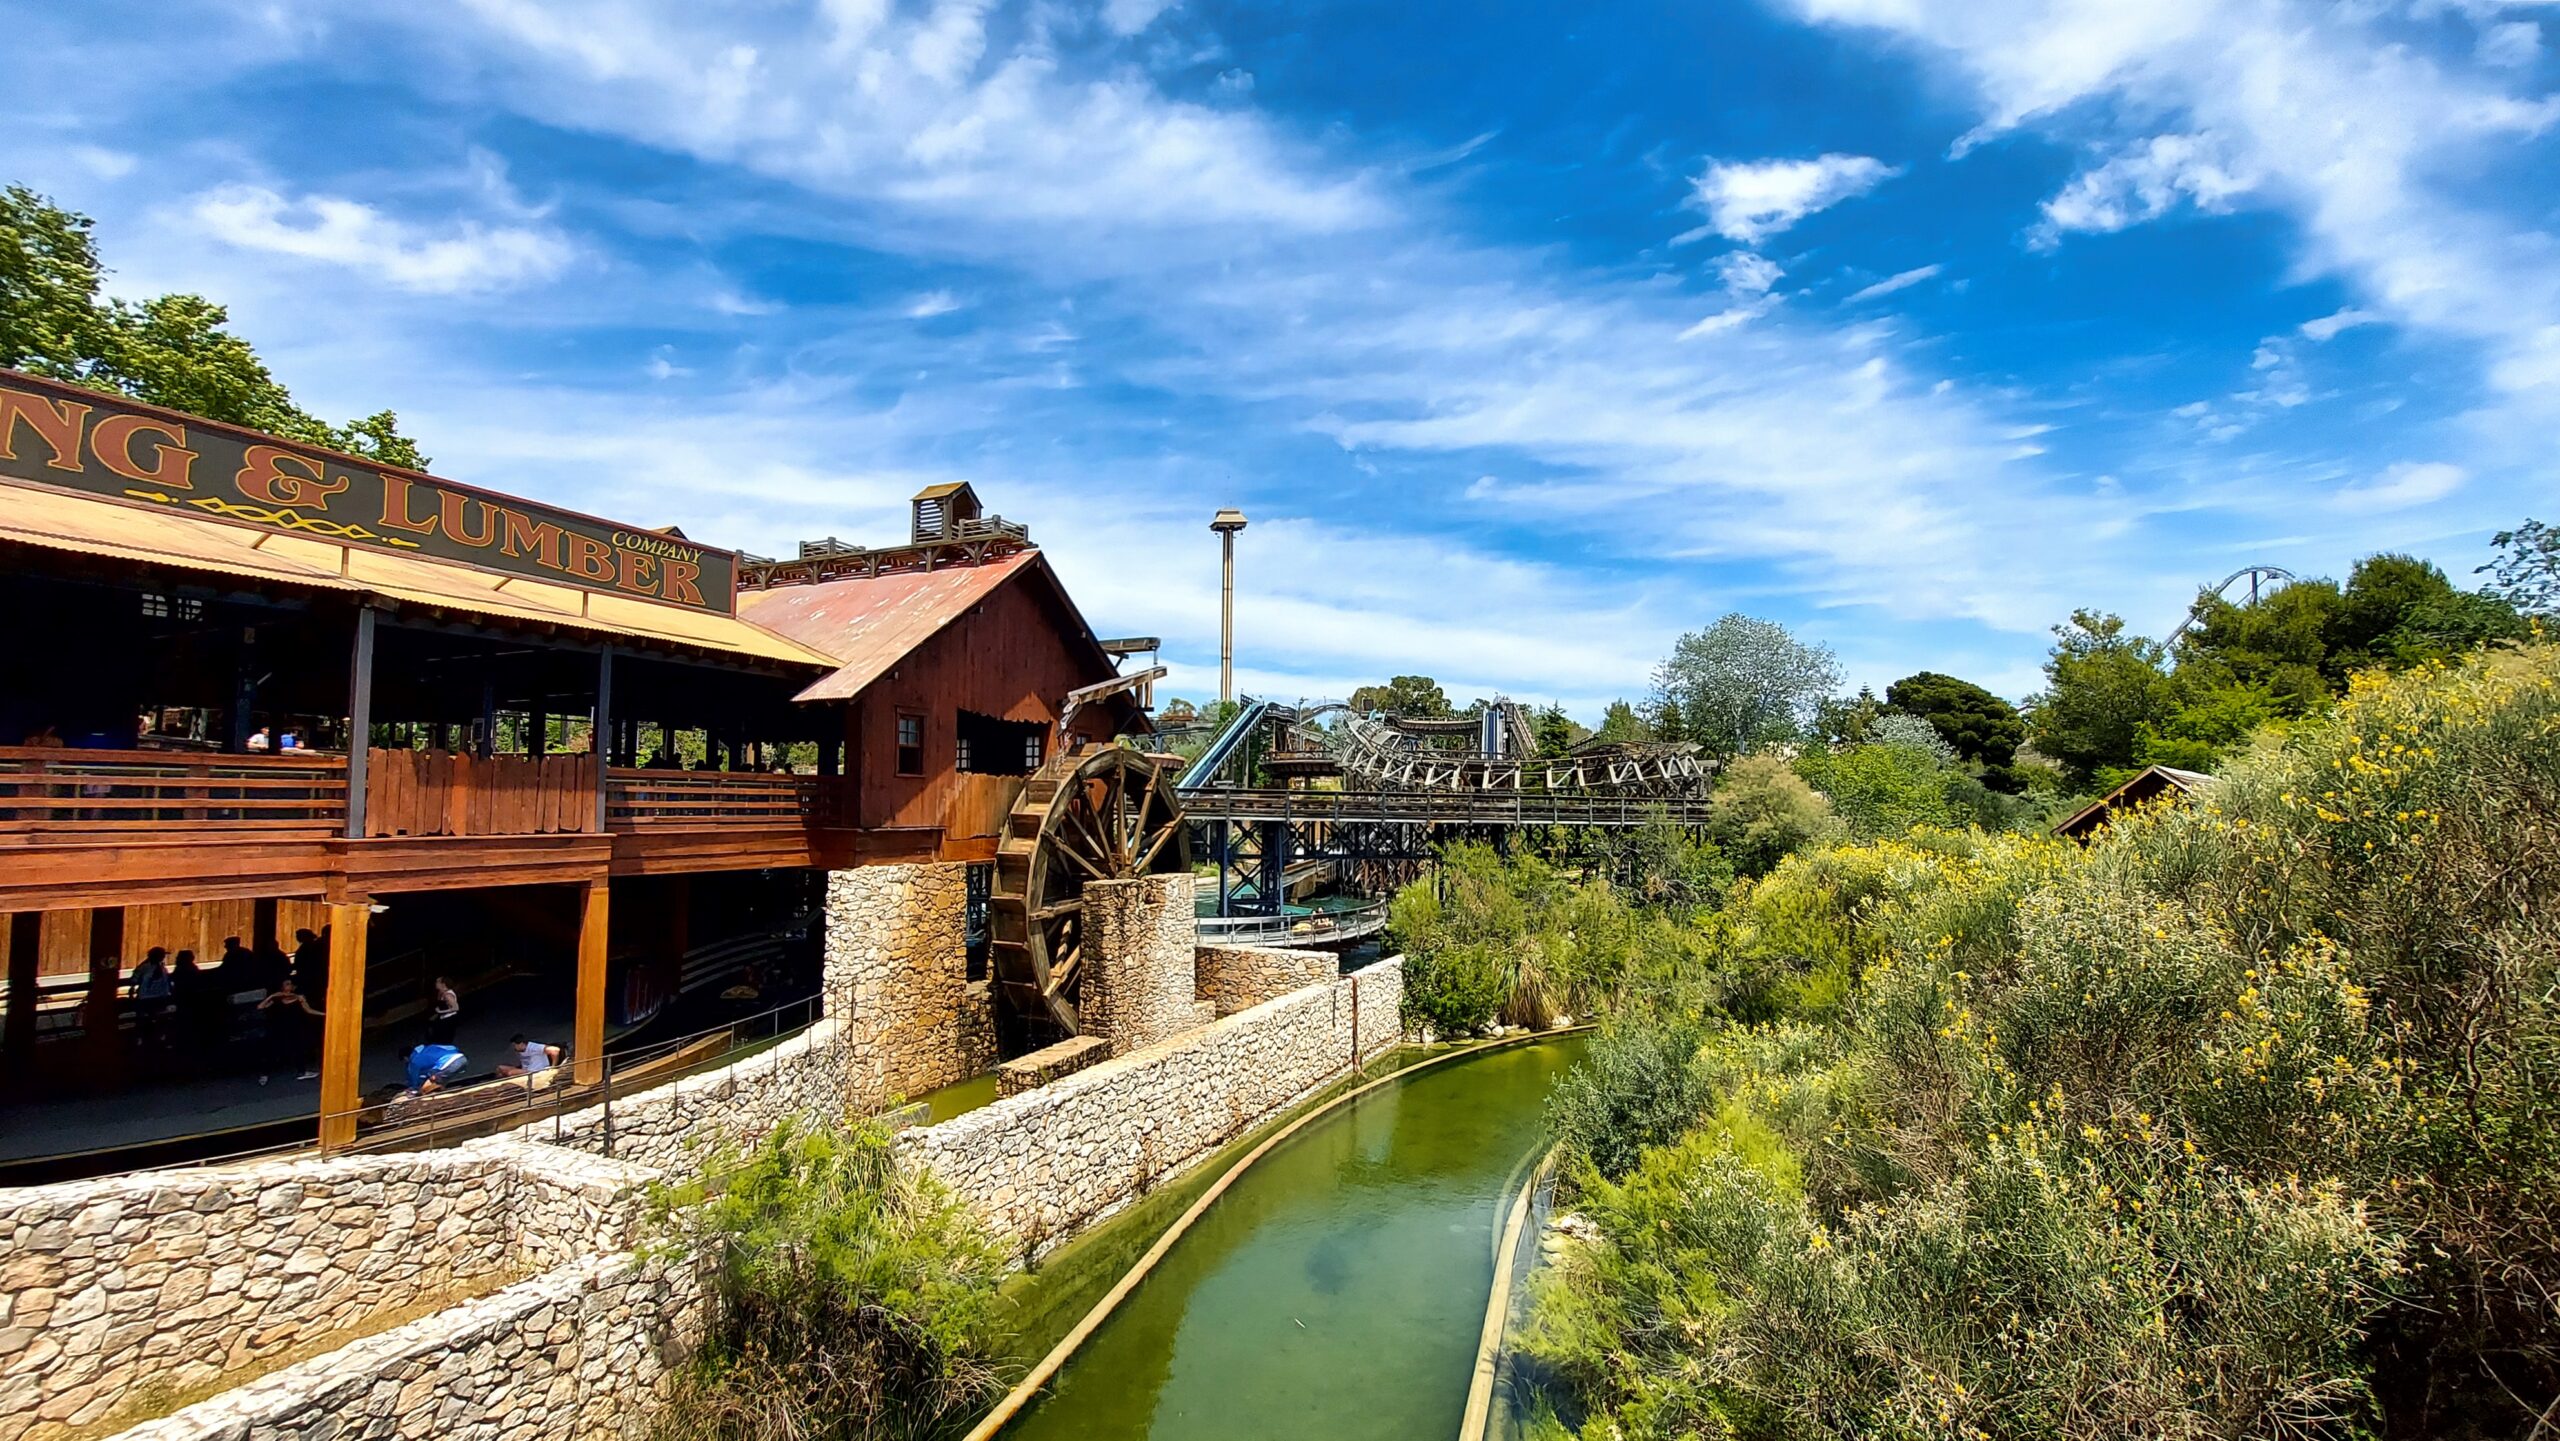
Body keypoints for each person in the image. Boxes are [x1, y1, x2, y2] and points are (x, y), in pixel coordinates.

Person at [254, 975, 323, 1084]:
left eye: (290, 984)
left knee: (298, 1049)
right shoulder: (276, 999)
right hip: (278, 1028)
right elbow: (260, 1007)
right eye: (286, 984)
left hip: (293, 1028)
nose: (289, 986)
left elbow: (308, 1010)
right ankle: (264, 1074)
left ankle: (302, 1071)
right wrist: (271, 996)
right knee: (272, 1051)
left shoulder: (298, 997)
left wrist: (324, 1014)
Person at [127, 947, 174, 1046]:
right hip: (147, 997)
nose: (163, 957)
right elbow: (134, 980)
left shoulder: (161, 967)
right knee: (144, 1018)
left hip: (159, 996)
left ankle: (157, 1037)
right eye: (162, 955)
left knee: (158, 1017)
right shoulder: (145, 967)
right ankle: (142, 1038)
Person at [496, 1034, 561, 1079]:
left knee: (511, 1073)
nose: (514, 1047)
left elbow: (555, 1050)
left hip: (535, 1070)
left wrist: (553, 1067)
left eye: (514, 1045)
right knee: (500, 1068)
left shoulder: (534, 1047)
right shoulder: (520, 1051)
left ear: (521, 1044)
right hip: (525, 1069)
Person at [290, 928, 329, 998]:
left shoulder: (308, 947)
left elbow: (303, 963)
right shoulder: (309, 946)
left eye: (298, 935)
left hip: (308, 978)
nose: (297, 937)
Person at [425, 975, 460, 1045]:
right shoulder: (440, 993)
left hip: (449, 1019)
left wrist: (440, 1012)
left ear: (443, 984)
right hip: (442, 1017)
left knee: (444, 1039)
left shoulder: (448, 995)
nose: (435, 983)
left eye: (437, 982)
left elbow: (456, 1008)